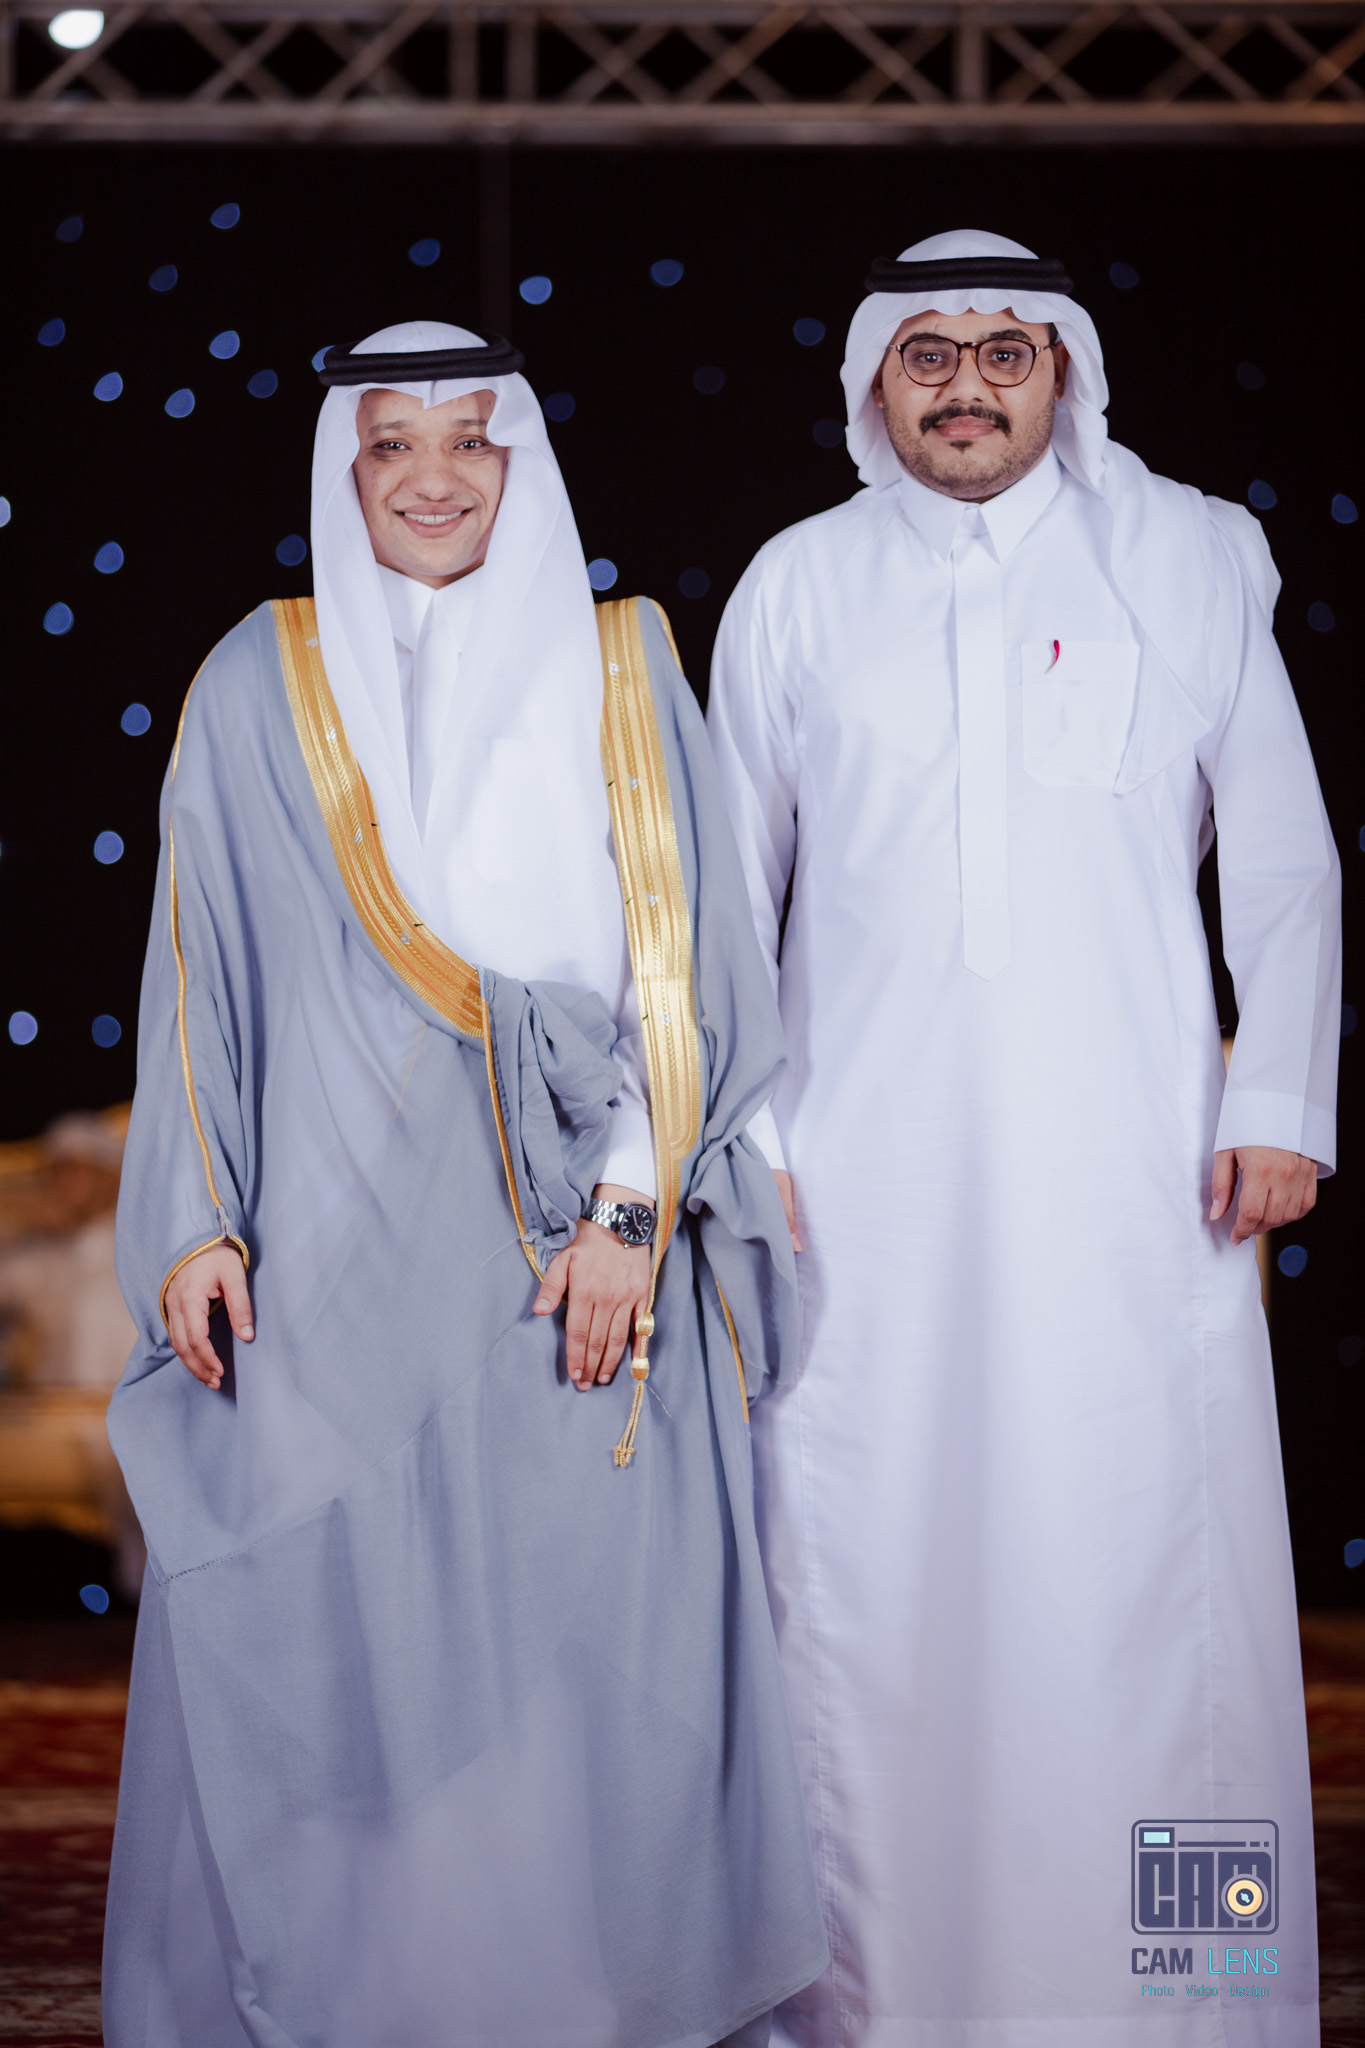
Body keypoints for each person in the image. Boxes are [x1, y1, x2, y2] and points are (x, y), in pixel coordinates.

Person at [103, 320, 826, 2048]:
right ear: (343, 471)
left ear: (521, 464)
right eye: (390, 447)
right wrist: (195, 1222)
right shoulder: (254, 679)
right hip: (329, 1268)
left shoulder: (621, 661)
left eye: (468, 442)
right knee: (343, 1640)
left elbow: (687, 972)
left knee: (581, 1651)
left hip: (574, 1256)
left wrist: (632, 1221)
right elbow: (196, 968)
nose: (431, 480)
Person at [708, 232, 1338, 2046]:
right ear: (873, 384)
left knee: (1161, 1603)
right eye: (930, 353)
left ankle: (1192, 2004)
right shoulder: (797, 585)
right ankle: (869, 2011)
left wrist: (1277, 1101)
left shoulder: (1186, 559)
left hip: (1137, 1178)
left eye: (1005, 350)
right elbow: (725, 898)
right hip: (858, 1194)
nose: (968, 384)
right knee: (867, 1596)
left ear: (1062, 373)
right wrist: (746, 1148)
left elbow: (1284, 859)